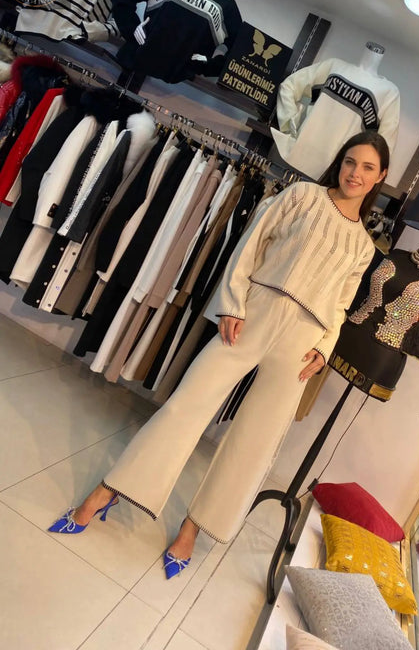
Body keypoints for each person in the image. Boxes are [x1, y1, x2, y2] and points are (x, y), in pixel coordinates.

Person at [48, 131, 388, 579]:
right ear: (339, 162)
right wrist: (232, 304)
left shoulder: (364, 246)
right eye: (350, 161)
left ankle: (192, 528)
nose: (355, 173)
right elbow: (250, 246)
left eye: (367, 167)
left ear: (380, 176)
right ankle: (108, 491)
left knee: (254, 442)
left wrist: (324, 348)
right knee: (185, 406)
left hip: (301, 341)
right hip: (255, 314)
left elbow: (341, 305)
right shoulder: (302, 196)